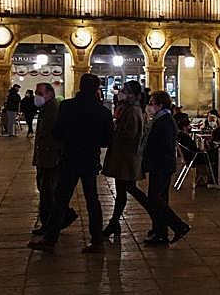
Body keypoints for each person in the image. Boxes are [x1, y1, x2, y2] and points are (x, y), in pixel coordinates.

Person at [29, 74, 113, 253]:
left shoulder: (67, 106)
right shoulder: (103, 111)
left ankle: (50, 241)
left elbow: (57, 133)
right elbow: (107, 140)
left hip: (69, 158)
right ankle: (97, 240)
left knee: (60, 200)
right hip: (90, 159)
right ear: (97, 88)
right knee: (92, 200)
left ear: (80, 86)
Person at [140, 91, 190, 246]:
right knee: (160, 199)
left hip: (161, 165)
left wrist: (151, 155)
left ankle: (178, 225)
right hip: (161, 164)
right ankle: (160, 231)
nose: (150, 106)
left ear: (160, 105)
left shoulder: (165, 121)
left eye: (152, 103)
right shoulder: (162, 119)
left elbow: (165, 145)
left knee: (155, 198)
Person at [102, 80, 145, 244]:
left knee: (127, 190)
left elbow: (129, 134)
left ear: (133, 95)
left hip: (126, 158)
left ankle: (161, 215)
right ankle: (114, 224)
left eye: (125, 90)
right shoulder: (127, 109)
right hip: (123, 158)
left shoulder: (133, 111)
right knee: (122, 192)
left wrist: (113, 131)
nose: (121, 92)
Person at [30, 82, 75, 236]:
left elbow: (57, 136)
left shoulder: (53, 111)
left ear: (50, 94)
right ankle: (60, 217)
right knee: (48, 191)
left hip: (50, 158)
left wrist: (56, 156)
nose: (36, 96)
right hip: (44, 157)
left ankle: (49, 224)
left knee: (47, 193)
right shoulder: (46, 109)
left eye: (40, 93)